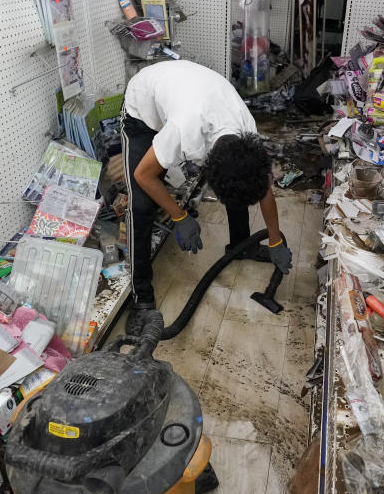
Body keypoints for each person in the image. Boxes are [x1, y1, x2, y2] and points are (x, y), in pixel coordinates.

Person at [121, 60, 293, 312]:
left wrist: (276, 240)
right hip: (141, 110)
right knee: (141, 205)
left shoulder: (247, 133)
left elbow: (262, 186)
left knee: (239, 181)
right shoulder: (183, 130)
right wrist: (179, 216)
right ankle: (141, 297)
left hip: (189, 91)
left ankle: (240, 246)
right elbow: (143, 175)